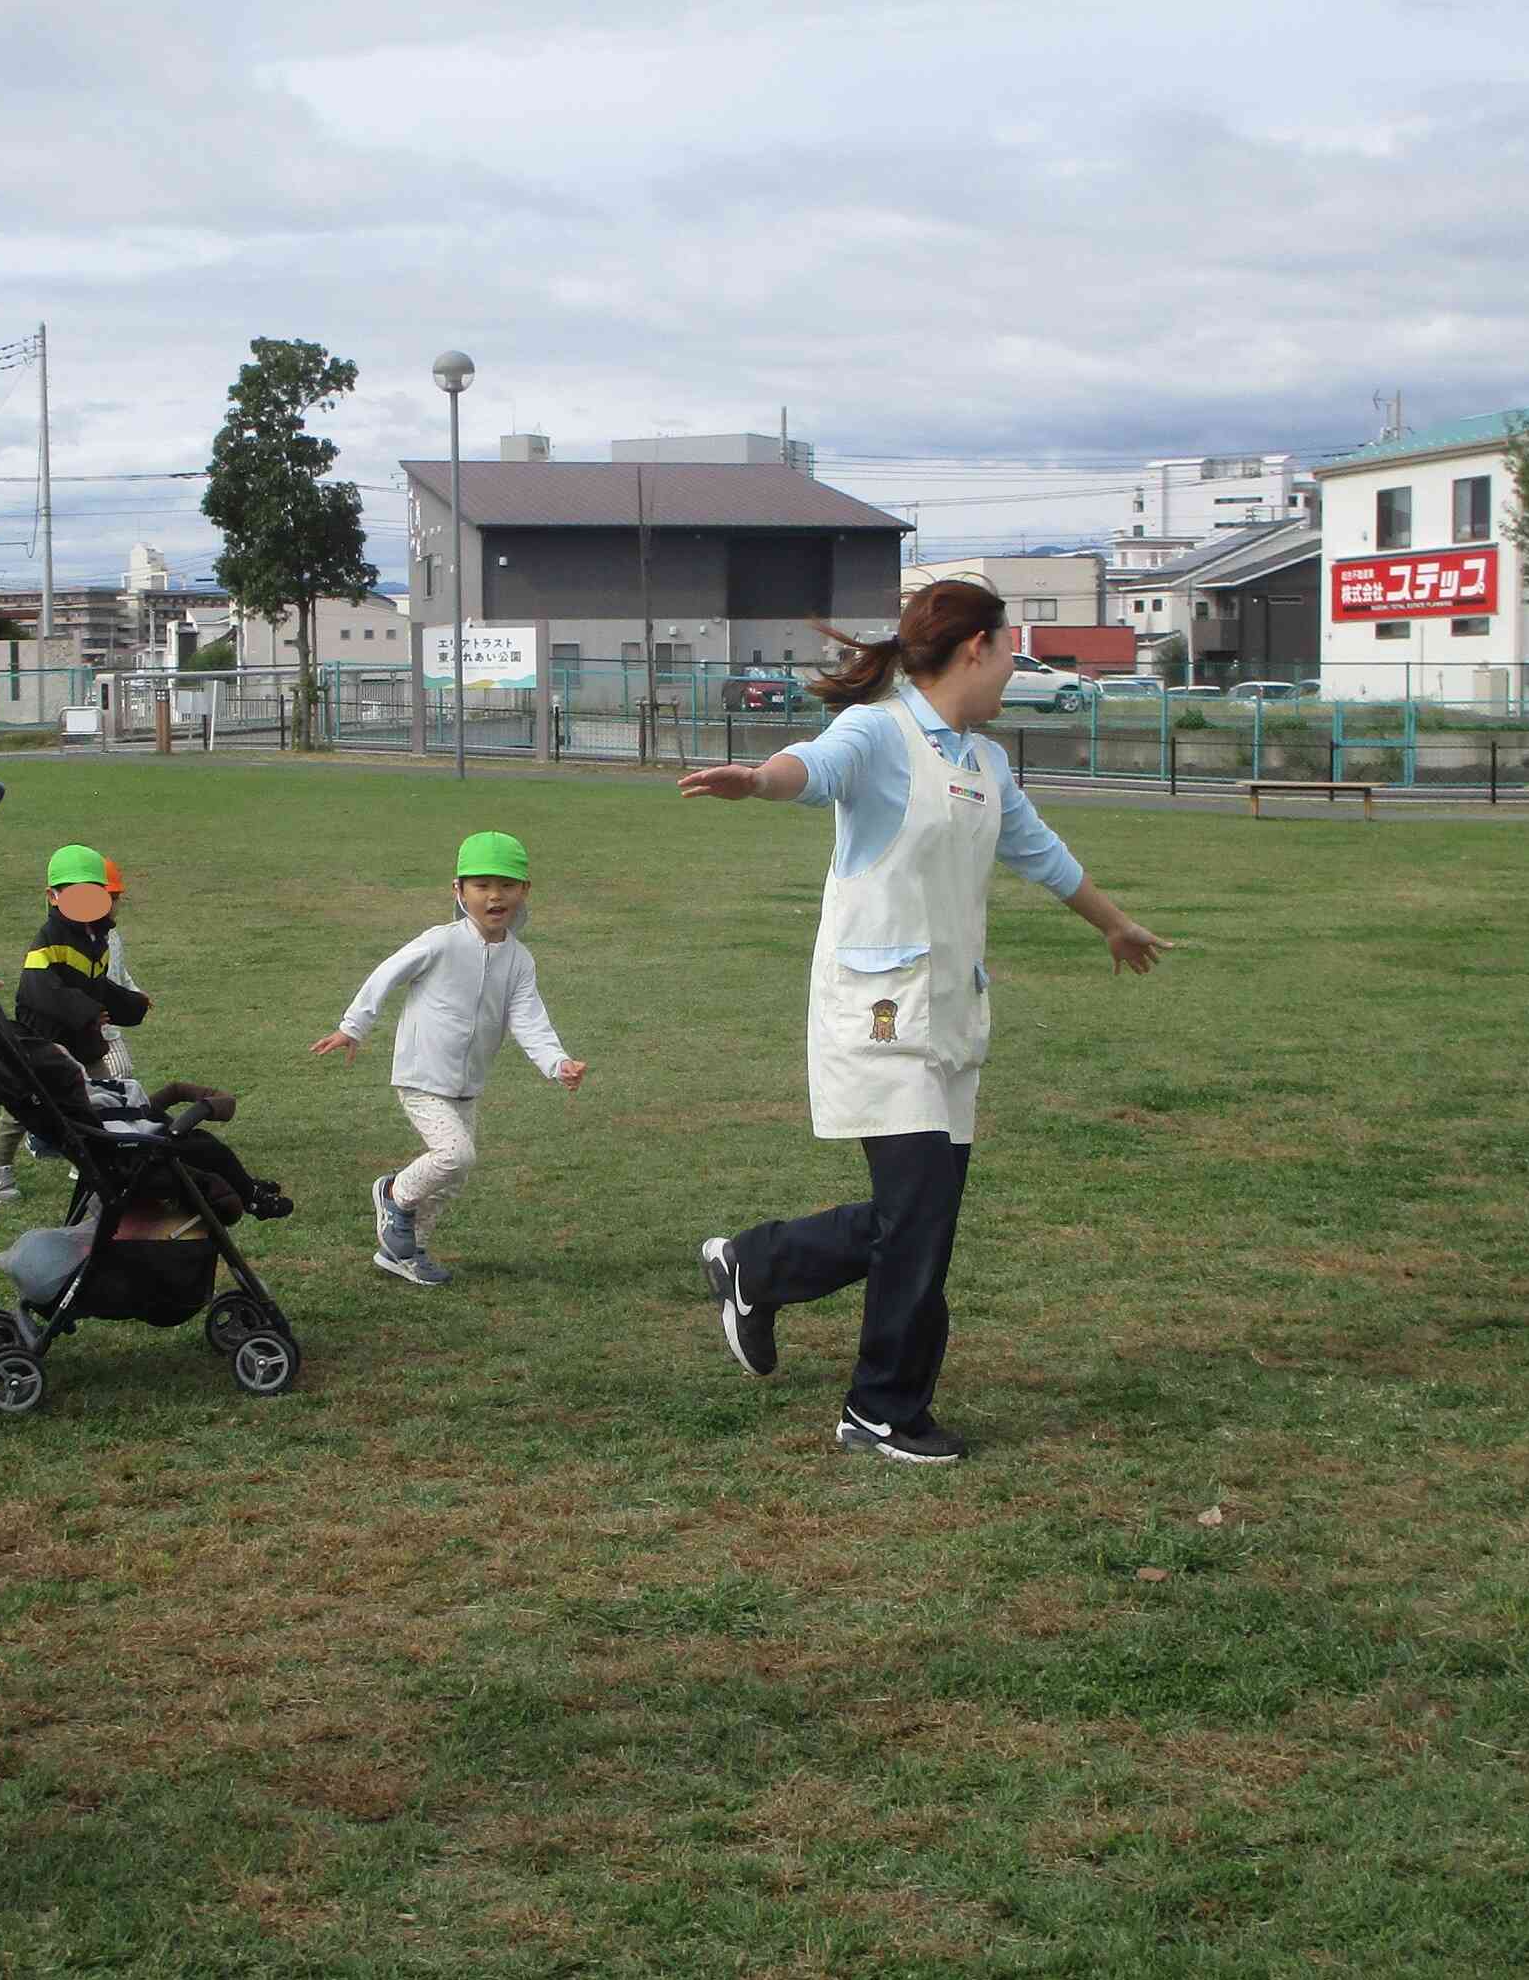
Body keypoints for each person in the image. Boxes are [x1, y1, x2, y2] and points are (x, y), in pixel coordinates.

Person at [679, 578, 1168, 1464]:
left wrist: (1115, 923)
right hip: (874, 1013)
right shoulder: (879, 730)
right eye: (1012, 648)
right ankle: (879, 1408)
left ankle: (759, 1265)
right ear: (975, 647)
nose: (1017, 666)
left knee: (923, 1217)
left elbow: (1042, 854)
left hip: (950, 1014)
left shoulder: (986, 763)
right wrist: (756, 779)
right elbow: (811, 766)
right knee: (919, 1214)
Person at [310, 831, 586, 1288]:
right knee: (455, 1155)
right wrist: (353, 1026)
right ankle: (393, 1194)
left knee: (452, 1178)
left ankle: (405, 1251)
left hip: (467, 1084)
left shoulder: (519, 960)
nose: (494, 895)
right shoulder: (440, 942)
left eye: (506, 885)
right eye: (480, 885)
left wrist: (558, 1063)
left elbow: (529, 1019)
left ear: (525, 891)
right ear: (458, 891)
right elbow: (387, 973)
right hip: (421, 1075)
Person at [0, 844, 147, 1207]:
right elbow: (41, 991)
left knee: (100, 1094)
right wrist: (88, 1011)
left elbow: (98, 983)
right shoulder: (48, 941)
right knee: (24, 1104)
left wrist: (129, 1005)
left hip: (82, 1038)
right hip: (44, 1039)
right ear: (53, 896)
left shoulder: (98, 939)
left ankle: (97, 1168)